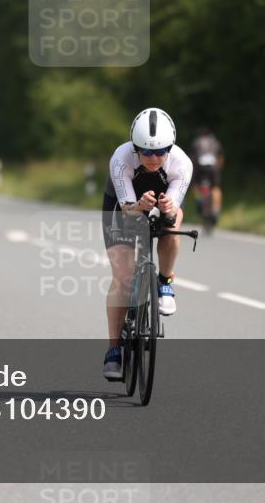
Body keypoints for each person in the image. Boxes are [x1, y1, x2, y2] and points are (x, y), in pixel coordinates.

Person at [100, 107, 192, 380]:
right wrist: (139, 206)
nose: (154, 158)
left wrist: (166, 209)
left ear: (170, 148)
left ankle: (164, 281)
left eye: (161, 151)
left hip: (162, 202)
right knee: (122, 277)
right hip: (123, 205)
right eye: (147, 151)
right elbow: (128, 210)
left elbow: (174, 211)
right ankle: (114, 350)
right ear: (135, 147)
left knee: (172, 225)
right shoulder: (121, 158)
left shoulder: (181, 163)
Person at [191, 126, 225, 226]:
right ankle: (215, 210)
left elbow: (192, 159)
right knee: (215, 188)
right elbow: (220, 158)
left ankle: (199, 200)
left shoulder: (196, 142)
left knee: (195, 185)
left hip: (199, 168)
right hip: (212, 168)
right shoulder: (215, 142)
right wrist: (218, 169)